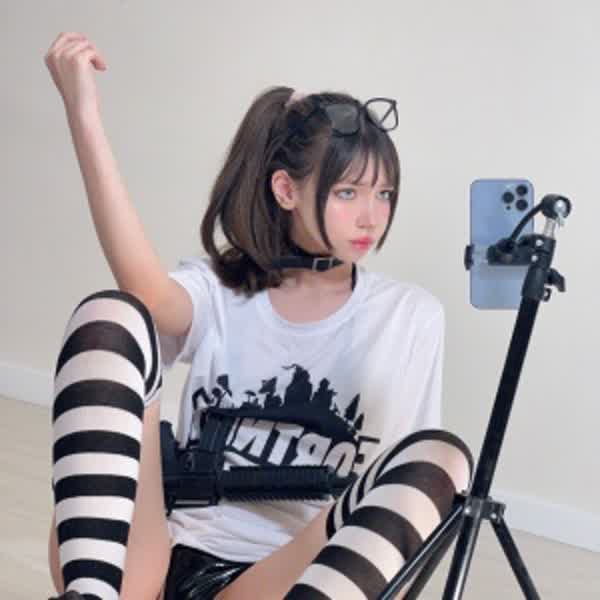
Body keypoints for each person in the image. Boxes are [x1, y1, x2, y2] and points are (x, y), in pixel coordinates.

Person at [44, 31, 474, 600]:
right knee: (109, 315)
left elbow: (395, 498)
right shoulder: (221, 289)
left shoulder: (408, 316)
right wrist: (83, 113)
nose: (371, 217)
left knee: (440, 459)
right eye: (348, 193)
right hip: (157, 560)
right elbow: (144, 292)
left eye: (384, 194)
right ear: (285, 190)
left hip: (288, 578)